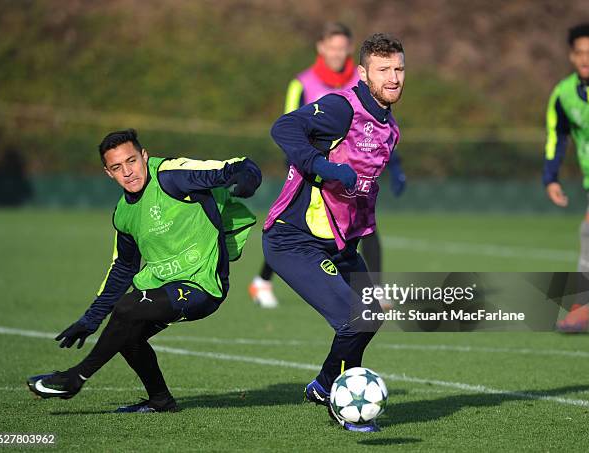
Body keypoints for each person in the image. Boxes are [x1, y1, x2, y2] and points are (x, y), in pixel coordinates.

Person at [27, 129, 261, 412]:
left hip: (204, 285)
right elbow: (123, 269)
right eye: (117, 167)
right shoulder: (123, 214)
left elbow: (242, 165)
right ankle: (161, 401)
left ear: (144, 156)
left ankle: (75, 378)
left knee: (128, 309)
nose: (127, 172)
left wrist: (247, 181)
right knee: (128, 333)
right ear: (108, 173)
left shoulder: (173, 176)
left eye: (131, 161)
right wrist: (91, 319)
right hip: (165, 287)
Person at [262, 33, 405, 431]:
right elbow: (284, 127)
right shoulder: (343, 107)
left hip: (339, 244)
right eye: (383, 70)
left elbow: (361, 203)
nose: (393, 77)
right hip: (293, 239)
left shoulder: (390, 129)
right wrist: (322, 167)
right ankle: (344, 407)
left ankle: (325, 385)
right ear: (363, 73)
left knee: (369, 315)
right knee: (353, 318)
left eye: (398, 68)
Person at [249, 22, 406, 309]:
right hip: (313, 168)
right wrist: (315, 165)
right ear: (321, 48)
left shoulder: (363, 81)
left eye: (342, 47)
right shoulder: (303, 82)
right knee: (297, 226)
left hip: (353, 179)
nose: (337, 53)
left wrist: (395, 168)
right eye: (332, 47)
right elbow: (290, 124)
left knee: (363, 224)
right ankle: (263, 280)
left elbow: (377, 129)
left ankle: (370, 291)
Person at [543, 23, 589, 333]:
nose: (586, 59)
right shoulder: (564, 94)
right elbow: (557, 137)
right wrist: (551, 178)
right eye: (580, 53)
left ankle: (579, 309)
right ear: (571, 56)